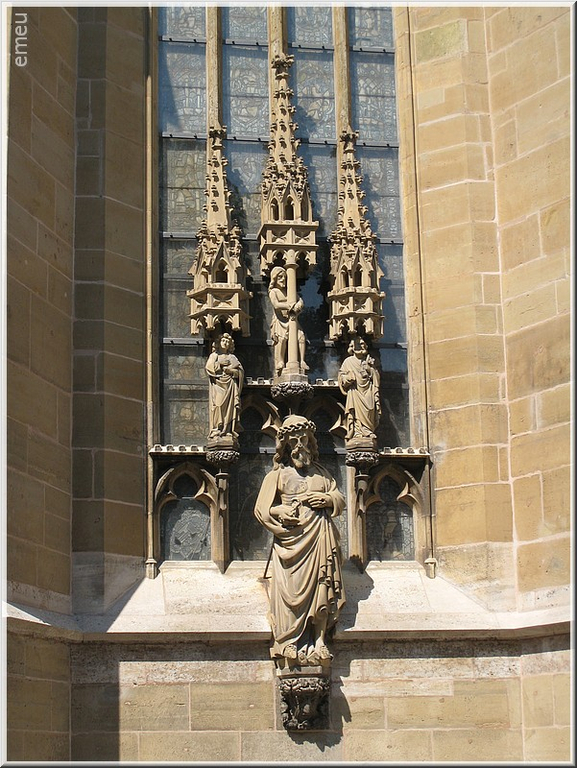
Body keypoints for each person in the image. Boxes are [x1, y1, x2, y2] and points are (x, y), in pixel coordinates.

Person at [254, 415, 346, 665]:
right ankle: (289, 641)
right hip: (291, 543)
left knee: (322, 586)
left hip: (319, 537)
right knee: (290, 592)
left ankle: (319, 640)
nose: (299, 446)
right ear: (285, 445)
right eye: (293, 441)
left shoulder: (322, 474)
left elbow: (339, 498)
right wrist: (280, 513)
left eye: (303, 440)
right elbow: (261, 510)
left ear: (310, 441)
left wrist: (327, 500)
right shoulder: (277, 476)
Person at [338, 337, 380, 441]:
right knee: (355, 411)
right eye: (356, 345)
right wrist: (348, 378)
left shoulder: (368, 361)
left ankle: (368, 430)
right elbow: (341, 377)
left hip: (368, 390)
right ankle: (357, 432)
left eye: (361, 344)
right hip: (355, 391)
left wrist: (370, 369)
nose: (359, 347)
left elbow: (376, 378)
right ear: (352, 347)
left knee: (370, 409)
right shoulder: (348, 362)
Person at [268, 266, 308, 377]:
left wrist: (298, 305)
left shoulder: (289, 291)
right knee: (282, 339)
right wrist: (289, 306)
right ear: (274, 278)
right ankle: (280, 361)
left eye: (284, 277)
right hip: (280, 320)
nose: (283, 280)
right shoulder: (274, 292)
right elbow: (276, 304)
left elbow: (300, 300)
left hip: (292, 319)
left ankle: (302, 361)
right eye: (280, 277)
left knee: (301, 337)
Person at [205, 333, 244, 441]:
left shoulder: (232, 357)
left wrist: (230, 370)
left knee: (230, 408)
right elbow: (209, 368)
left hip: (230, 385)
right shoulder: (214, 356)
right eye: (223, 341)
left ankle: (227, 430)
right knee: (218, 405)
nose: (225, 343)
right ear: (218, 343)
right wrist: (220, 364)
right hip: (218, 384)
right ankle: (217, 429)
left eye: (228, 342)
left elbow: (239, 372)